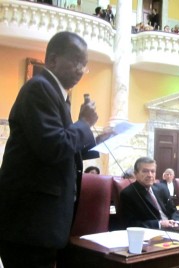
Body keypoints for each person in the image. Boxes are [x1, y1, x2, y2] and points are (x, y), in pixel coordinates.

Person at [0, 31, 100, 268]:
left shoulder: (57, 95)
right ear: (52, 60)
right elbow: (53, 147)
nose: (80, 69)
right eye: (76, 61)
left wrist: (96, 139)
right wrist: (84, 124)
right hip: (29, 223)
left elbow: (59, 147)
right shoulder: (39, 88)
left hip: (41, 223)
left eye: (84, 65)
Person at [120, 157, 179, 229]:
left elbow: (174, 211)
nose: (150, 175)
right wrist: (160, 224)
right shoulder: (128, 194)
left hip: (175, 228)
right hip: (153, 233)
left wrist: (177, 222)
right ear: (135, 174)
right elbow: (131, 223)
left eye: (152, 171)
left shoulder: (162, 188)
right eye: (145, 171)